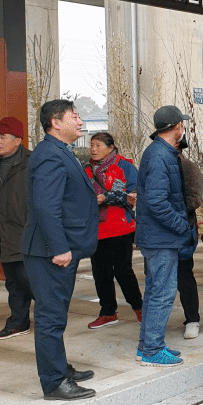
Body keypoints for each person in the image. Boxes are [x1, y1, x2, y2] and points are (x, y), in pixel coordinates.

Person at [20, 100, 98, 400]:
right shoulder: (49, 155)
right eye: (74, 116)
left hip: (55, 249)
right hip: (49, 251)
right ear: (56, 122)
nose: (79, 122)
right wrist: (60, 247)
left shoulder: (59, 151)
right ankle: (54, 382)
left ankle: (59, 368)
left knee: (56, 314)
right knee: (50, 316)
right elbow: (46, 205)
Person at [136, 105, 194, 367]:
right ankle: (152, 349)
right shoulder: (160, 156)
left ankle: (147, 345)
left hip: (157, 236)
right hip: (161, 238)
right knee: (163, 292)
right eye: (182, 124)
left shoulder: (161, 153)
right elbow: (158, 202)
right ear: (176, 127)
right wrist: (182, 225)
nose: (184, 128)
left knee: (154, 292)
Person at [0, 116, 34, 341]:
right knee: (13, 281)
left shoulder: (32, 163)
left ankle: (50, 318)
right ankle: (18, 322)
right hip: (2, 234)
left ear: (18, 140)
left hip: (26, 234)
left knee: (30, 280)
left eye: (3, 137)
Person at [85, 132, 142, 329]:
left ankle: (139, 308)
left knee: (123, 271)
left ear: (110, 147)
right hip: (96, 229)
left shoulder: (124, 166)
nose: (93, 149)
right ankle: (108, 311)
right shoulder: (85, 169)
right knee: (100, 273)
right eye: (91, 145)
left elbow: (134, 193)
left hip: (120, 228)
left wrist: (107, 198)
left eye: (98, 145)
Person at [176, 137, 203, 339]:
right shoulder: (157, 165)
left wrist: (170, 215)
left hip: (183, 229)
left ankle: (192, 319)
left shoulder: (188, 167)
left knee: (184, 276)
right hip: (161, 233)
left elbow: (195, 199)